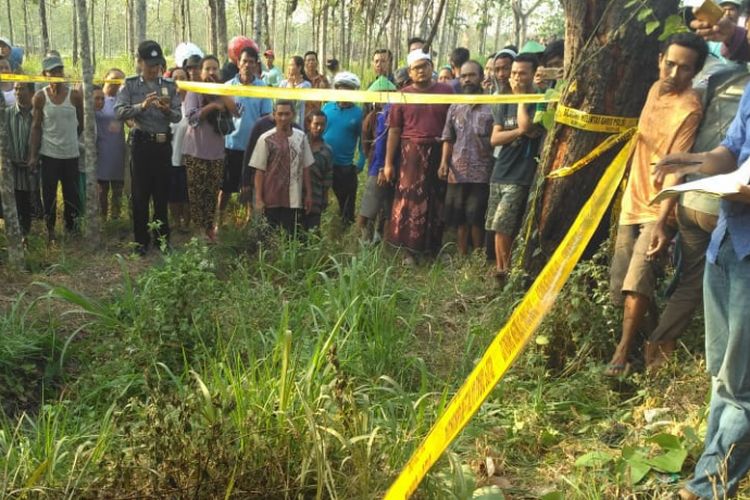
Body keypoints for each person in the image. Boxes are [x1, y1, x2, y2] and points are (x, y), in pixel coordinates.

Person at [653, 69, 750, 500]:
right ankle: (710, 467)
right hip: (727, 242)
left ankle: (708, 487)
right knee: (720, 373)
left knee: (742, 383)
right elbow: (731, 151)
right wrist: (690, 163)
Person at [605, 33, 707, 376]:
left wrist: (664, 221)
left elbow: (679, 167)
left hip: (659, 206)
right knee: (622, 282)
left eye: (685, 68)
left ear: (695, 73)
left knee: (638, 278)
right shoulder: (652, 90)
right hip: (631, 200)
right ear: (659, 59)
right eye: (670, 63)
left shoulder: (690, 107)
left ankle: (621, 356)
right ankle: (650, 347)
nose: (674, 73)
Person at [384, 49, 454, 264]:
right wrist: (388, 163)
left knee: (436, 198)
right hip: (410, 154)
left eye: (424, 66)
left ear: (432, 67)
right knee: (408, 199)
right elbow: (394, 131)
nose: (421, 71)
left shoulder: (446, 91)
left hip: (440, 150)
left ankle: (433, 248)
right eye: (416, 68)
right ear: (410, 72)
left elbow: (452, 125)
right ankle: (407, 251)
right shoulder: (403, 95)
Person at [115, 40, 182, 255]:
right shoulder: (131, 85)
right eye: (149, 64)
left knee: (161, 195)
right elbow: (119, 111)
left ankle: (162, 240)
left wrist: (166, 111)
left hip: (162, 146)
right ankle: (141, 242)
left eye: (157, 64)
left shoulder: (170, 87)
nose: (154, 69)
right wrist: (140, 106)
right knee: (140, 196)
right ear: (139, 62)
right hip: (141, 145)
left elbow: (178, 114)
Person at [485, 53, 543, 285]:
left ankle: (505, 271)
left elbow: (528, 124)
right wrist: (519, 132)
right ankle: (502, 270)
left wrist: (521, 100)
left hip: (521, 174)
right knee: (497, 226)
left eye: (522, 73)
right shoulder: (503, 101)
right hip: (500, 170)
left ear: (533, 74)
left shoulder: (540, 99)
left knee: (503, 225)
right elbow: (495, 138)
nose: (517, 77)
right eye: (514, 73)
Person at [439, 60, 494, 257]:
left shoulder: (492, 105)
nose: (467, 79)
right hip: (457, 171)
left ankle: (478, 256)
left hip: (483, 172)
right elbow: (448, 137)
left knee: (477, 215)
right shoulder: (455, 106)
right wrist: (444, 163)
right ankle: (462, 256)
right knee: (459, 216)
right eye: (463, 76)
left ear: (481, 77)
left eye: (472, 75)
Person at [29, 54, 84, 242]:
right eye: (53, 71)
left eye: (59, 70)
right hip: (49, 154)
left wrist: (71, 139)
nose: (57, 74)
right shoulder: (40, 97)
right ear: (45, 74)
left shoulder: (74, 96)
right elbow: (36, 127)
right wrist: (33, 155)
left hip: (71, 154)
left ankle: (72, 228)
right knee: (49, 194)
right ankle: (50, 230)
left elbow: (81, 123)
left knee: (72, 194)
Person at [182, 55, 236, 242]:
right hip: (196, 152)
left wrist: (220, 94)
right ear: (201, 70)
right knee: (197, 194)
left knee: (212, 194)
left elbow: (237, 110)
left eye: (215, 68)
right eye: (208, 68)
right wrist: (212, 105)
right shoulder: (194, 91)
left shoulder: (222, 90)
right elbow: (191, 119)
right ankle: (199, 232)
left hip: (217, 154)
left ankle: (209, 229)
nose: (212, 72)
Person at [219, 46, 272, 230]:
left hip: (254, 148)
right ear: (237, 63)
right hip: (231, 145)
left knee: (249, 185)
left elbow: (266, 118)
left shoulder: (263, 88)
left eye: (251, 61)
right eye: (244, 61)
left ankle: (249, 222)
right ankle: (218, 220)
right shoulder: (227, 88)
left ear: (256, 64)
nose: (247, 65)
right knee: (225, 187)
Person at [250, 100, 314, 234]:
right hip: (271, 198)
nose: (283, 118)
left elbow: (306, 167)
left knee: (290, 236)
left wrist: (308, 194)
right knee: (267, 236)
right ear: (274, 115)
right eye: (280, 114)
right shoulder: (265, 139)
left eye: (287, 114)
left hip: (293, 199)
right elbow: (259, 171)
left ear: (293, 115)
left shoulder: (301, 137)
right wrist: (259, 199)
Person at [359, 75, 398, 242]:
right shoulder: (377, 116)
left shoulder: (389, 112)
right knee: (370, 206)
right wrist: (380, 165)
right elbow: (369, 142)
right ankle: (363, 240)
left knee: (385, 208)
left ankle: (379, 239)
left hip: (386, 166)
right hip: (379, 167)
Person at [322, 71, 364, 226]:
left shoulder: (359, 113)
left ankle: (344, 229)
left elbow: (363, 140)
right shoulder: (327, 108)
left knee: (346, 203)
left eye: (349, 89)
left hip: (344, 166)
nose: (345, 93)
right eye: (342, 88)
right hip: (324, 162)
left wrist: (360, 162)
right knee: (319, 200)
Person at [5, 82, 38, 240]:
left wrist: (34, 158)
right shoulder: (6, 114)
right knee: (15, 202)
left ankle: (27, 236)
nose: (17, 92)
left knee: (30, 205)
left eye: (22, 88)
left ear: (31, 92)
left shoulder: (38, 115)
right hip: (11, 168)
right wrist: (11, 157)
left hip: (34, 169)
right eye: (16, 89)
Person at [95, 68, 127, 220]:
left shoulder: (122, 100)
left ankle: (116, 217)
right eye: (114, 79)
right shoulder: (96, 96)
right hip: (100, 147)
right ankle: (101, 218)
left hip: (117, 148)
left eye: (120, 81)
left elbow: (130, 119)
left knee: (117, 185)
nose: (117, 84)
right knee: (101, 187)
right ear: (105, 77)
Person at [167, 66, 191, 232]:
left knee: (188, 194)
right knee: (173, 193)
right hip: (170, 157)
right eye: (176, 77)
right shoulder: (166, 102)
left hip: (190, 157)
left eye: (183, 77)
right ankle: (176, 222)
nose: (179, 81)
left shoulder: (193, 102)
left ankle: (187, 223)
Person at [304, 111, 333, 231]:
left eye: (322, 124)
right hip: (295, 198)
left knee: (312, 233)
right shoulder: (299, 143)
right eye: (316, 124)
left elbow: (328, 177)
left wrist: (324, 198)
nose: (319, 128)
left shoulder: (327, 150)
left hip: (316, 198)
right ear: (309, 124)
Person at [279, 55, 312, 127]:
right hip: (284, 120)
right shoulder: (283, 83)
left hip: (298, 122)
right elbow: (280, 102)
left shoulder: (306, 85)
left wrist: (291, 85)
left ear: (299, 67)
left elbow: (295, 104)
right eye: (289, 65)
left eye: (291, 65)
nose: (289, 67)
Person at [303, 51, 330, 123]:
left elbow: (327, 100)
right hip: (302, 115)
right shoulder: (301, 79)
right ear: (304, 63)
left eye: (313, 60)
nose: (311, 62)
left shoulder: (323, 79)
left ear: (317, 62)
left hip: (318, 117)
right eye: (308, 60)